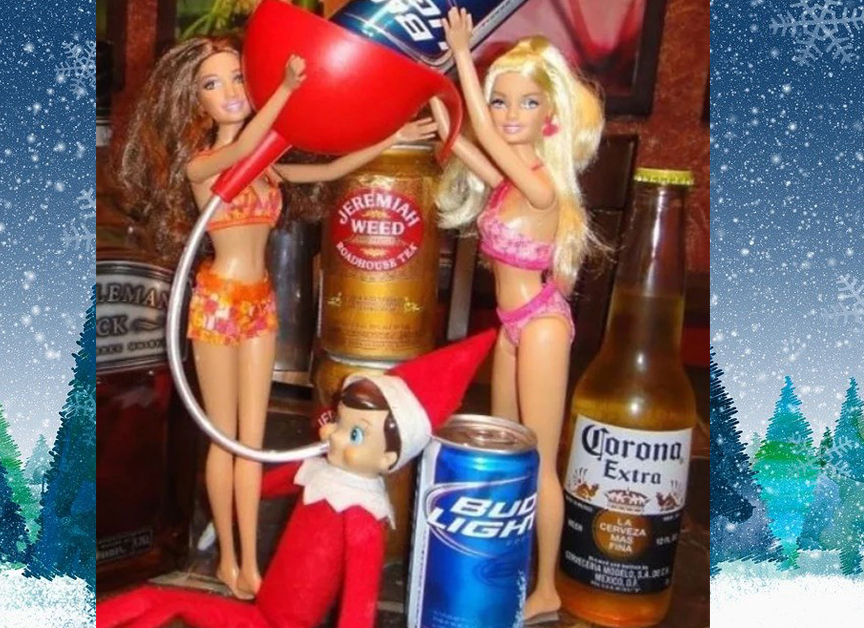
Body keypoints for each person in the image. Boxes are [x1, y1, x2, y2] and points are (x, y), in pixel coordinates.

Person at [116, 35, 436, 599]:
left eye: (238, 78)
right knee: (224, 438)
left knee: (253, 440)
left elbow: (333, 168)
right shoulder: (203, 165)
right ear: (196, 102)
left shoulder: (268, 168)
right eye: (212, 84)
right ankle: (227, 558)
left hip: (260, 302)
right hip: (218, 302)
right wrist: (286, 91)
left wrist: (392, 137)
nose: (229, 92)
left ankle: (250, 562)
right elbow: (241, 149)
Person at [96, 329, 499, 628]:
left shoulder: (363, 517)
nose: (334, 435)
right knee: (159, 600)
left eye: (355, 435)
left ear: (389, 458)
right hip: (262, 610)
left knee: (169, 603)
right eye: (339, 421)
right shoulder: (317, 472)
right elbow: (260, 488)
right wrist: (225, 517)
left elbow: (358, 606)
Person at [430, 8, 605, 622]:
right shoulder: (510, 182)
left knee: (539, 462)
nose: (508, 115)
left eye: (526, 103)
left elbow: (482, 131)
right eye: (500, 101)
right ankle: (499, 561)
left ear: (549, 114)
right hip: (511, 328)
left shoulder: (541, 186)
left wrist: (462, 55)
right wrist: (439, 108)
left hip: (541, 326)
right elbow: (466, 147)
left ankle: (547, 586)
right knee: (504, 451)